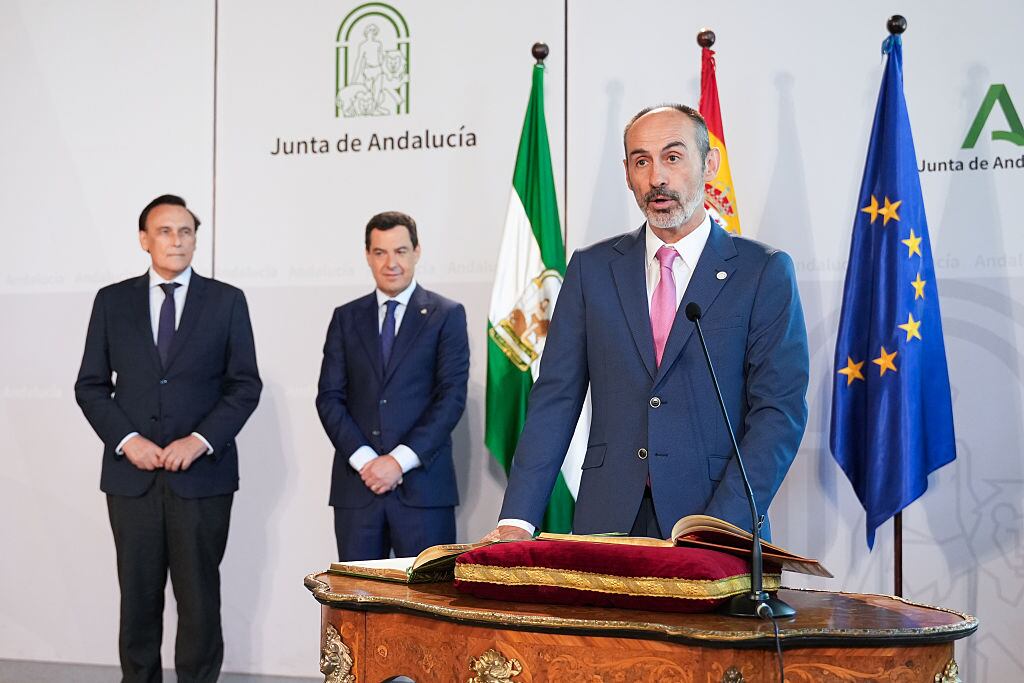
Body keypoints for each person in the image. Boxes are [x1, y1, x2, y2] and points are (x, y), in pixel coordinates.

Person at [486, 104, 809, 541]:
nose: (657, 177)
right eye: (642, 161)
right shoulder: (593, 270)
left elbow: (778, 412)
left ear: (709, 163)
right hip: (608, 521)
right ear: (627, 173)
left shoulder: (761, 272)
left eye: (672, 158)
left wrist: (723, 524)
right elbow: (555, 400)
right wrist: (518, 520)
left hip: (717, 519)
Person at [75, 194, 262, 683]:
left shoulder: (227, 301)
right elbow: (90, 385)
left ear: (196, 239)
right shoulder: (112, 301)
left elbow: (245, 385)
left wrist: (199, 439)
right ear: (144, 240)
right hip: (130, 479)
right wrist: (127, 439)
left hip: (202, 479)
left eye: (186, 232)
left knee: (200, 601)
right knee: (137, 600)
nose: (176, 241)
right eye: (165, 231)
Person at [316, 211, 469, 560]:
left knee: (427, 606)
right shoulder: (346, 317)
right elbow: (329, 398)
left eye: (400, 251)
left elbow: (451, 397)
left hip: (424, 491)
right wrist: (368, 461)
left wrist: (397, 462)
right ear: (368, 255)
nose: (391, 263)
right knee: (356, 603)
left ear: (417, 251)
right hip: (358, 489)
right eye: (380, 252)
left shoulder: (447, 315)